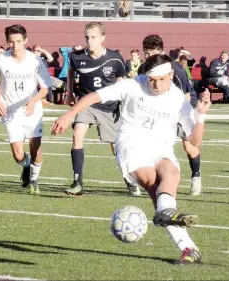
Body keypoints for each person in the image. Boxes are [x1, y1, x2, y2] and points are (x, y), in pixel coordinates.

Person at [51, 54, 210, 265]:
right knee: (150, 181)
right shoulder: (133, 85)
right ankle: (170, 217)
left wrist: (200, 116)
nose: (155, 84)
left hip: (161, 145)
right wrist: (68, 115)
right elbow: (92, 97)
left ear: (171, 75)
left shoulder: (178, 100)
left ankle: (184, 240)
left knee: (170, 174)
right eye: (152, 79)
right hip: (131, 143)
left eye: (161, 79)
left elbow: (195, 141)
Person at [63, 22, 138, 196]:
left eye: (94, 37)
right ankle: (77, 182)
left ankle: (129, 179)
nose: (90, 41)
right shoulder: (76, 57)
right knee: (77, 136)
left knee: (115, 146)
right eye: (87, 37)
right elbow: (71, 70)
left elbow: (122, 82)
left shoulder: (115, 58)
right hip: (86, 104)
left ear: (103, 38)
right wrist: (69, 91)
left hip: (109, 107)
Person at [0, 24, 51, 195]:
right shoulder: (1, 59)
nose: (15, 45)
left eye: (18, 41)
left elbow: (45, 88)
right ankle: (26, 167)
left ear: (25, 40)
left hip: (32, 111)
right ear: (7, 42)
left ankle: (34, 180)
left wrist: (33, 101)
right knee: (18, 154)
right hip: (10, 111)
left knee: (35, 149)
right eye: (11, 42)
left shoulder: (35, 60)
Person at [142, 34, 202, 196]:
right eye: (145, 54)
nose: (147, 57)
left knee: (189, 147)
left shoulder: (175, 69)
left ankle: (196, 176)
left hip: (180, 108)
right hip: (158, 112)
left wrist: (184, 119)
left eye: (150, 54)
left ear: (160, 51)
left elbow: (186, 96)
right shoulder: (144, 69)